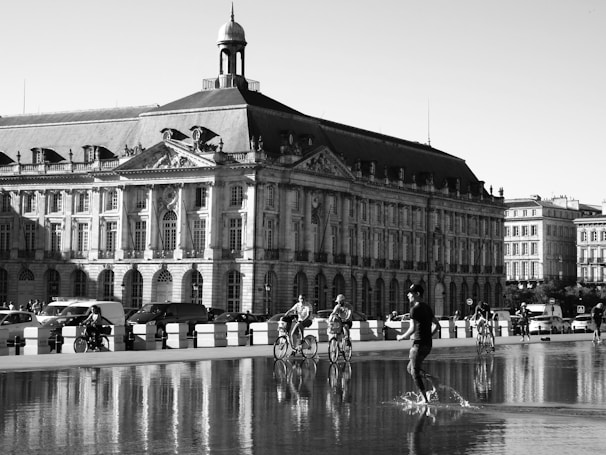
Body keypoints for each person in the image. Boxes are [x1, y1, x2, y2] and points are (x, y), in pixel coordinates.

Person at [396, 284, 440, 404]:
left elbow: (412, 328)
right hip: (428, 345)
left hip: (418, 345)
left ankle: (425, 399)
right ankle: (433, 380)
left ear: (417, 294)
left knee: (414, 372)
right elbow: (437, 325)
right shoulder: (427, 307)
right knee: (410, 368)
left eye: (410, 293)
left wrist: (402, 337)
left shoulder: (414, 309)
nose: (408, 295)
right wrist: (428, 336)